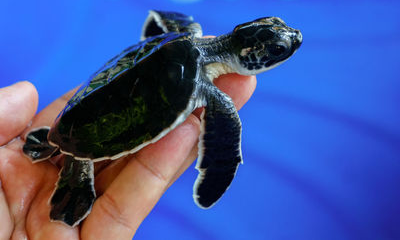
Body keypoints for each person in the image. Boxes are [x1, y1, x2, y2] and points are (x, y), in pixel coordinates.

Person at [0, 74, 256, 239]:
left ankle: (61, 148)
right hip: (100, 125)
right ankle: (75, 170)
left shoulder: (182, 36)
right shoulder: (211, 91)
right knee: (223, 123)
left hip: (72, 118)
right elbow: (224, 139)